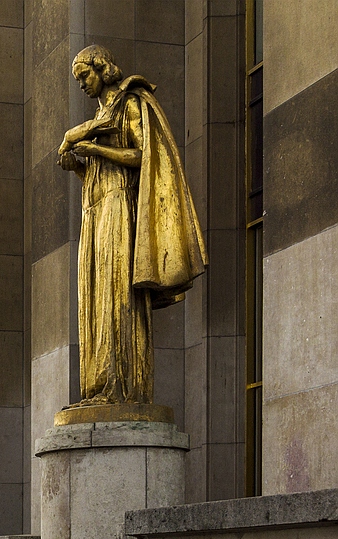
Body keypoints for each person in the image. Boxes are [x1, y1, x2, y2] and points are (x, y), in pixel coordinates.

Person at [57, 44, 206, 406]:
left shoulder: (131, 103)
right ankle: (96, 388)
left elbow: (144, 156)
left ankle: (121, 388)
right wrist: (78, 165)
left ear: (102, 68)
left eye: (84, 76)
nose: (81, 85)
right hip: (93, 213)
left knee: (115, 295)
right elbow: (98, 171)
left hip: (119, 209)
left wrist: (96, 149)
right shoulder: (100, 116)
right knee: (93, 298)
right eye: (77, 80)